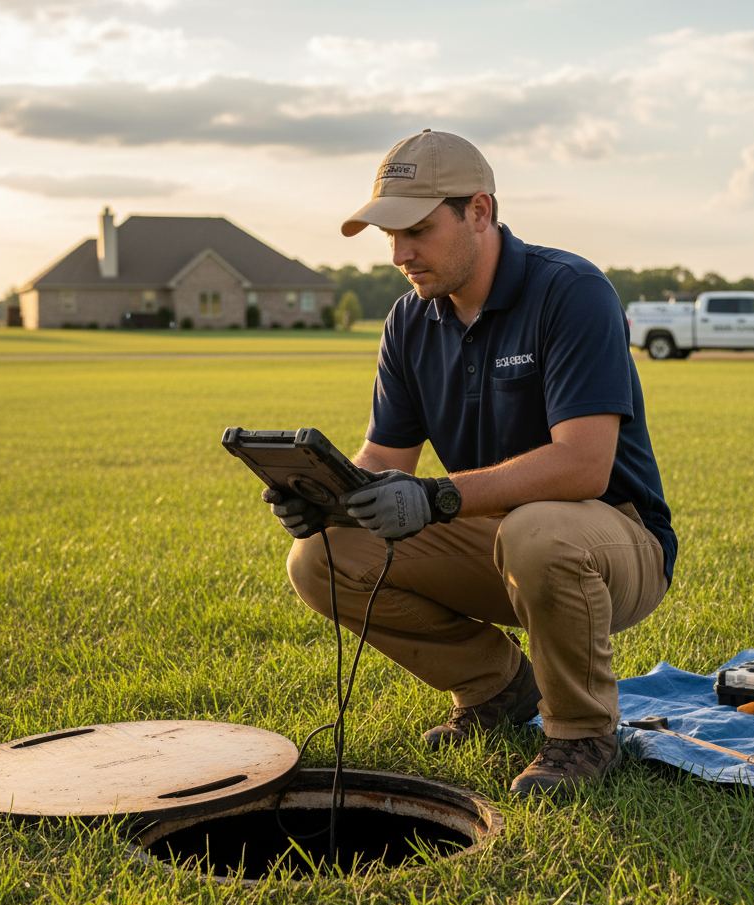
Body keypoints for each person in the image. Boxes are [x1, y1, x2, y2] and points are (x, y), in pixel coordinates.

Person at [263, 129, 676, 798]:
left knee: (537, 530)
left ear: (478, 212)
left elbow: (584, 467)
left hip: (613, 542)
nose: (399, 254)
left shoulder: (572, 291)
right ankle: (499, 688)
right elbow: (386, 459)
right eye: (389, 237)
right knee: (322, 556)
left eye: (417, 230)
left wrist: (437, 496)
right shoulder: (409, 320)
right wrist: (325, 495)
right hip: (497, 537)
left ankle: (581, 736)